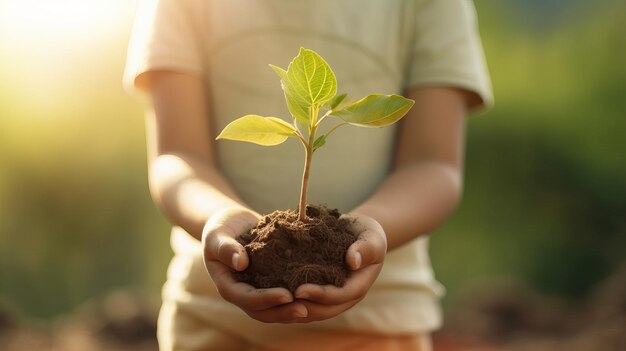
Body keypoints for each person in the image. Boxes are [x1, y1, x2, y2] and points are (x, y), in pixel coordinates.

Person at [124, 0, 493, 350]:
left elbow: (434, 166)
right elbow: (177, 156)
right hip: (212, 323)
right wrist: (216, 220)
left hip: (379, 326)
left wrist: (370, 229)